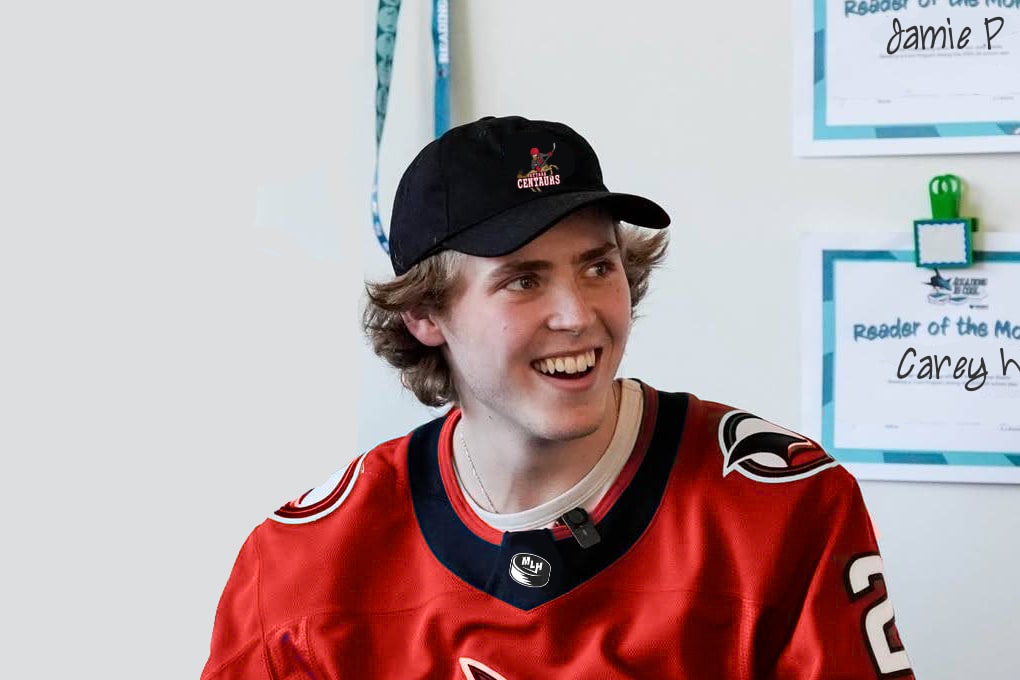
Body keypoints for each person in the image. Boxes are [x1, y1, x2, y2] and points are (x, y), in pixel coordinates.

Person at [202, 115, 915, 679]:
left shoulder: (784, 504)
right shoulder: (301, 567)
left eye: (598, 267)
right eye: (524, 280)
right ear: (424, 314)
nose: (578, 315)